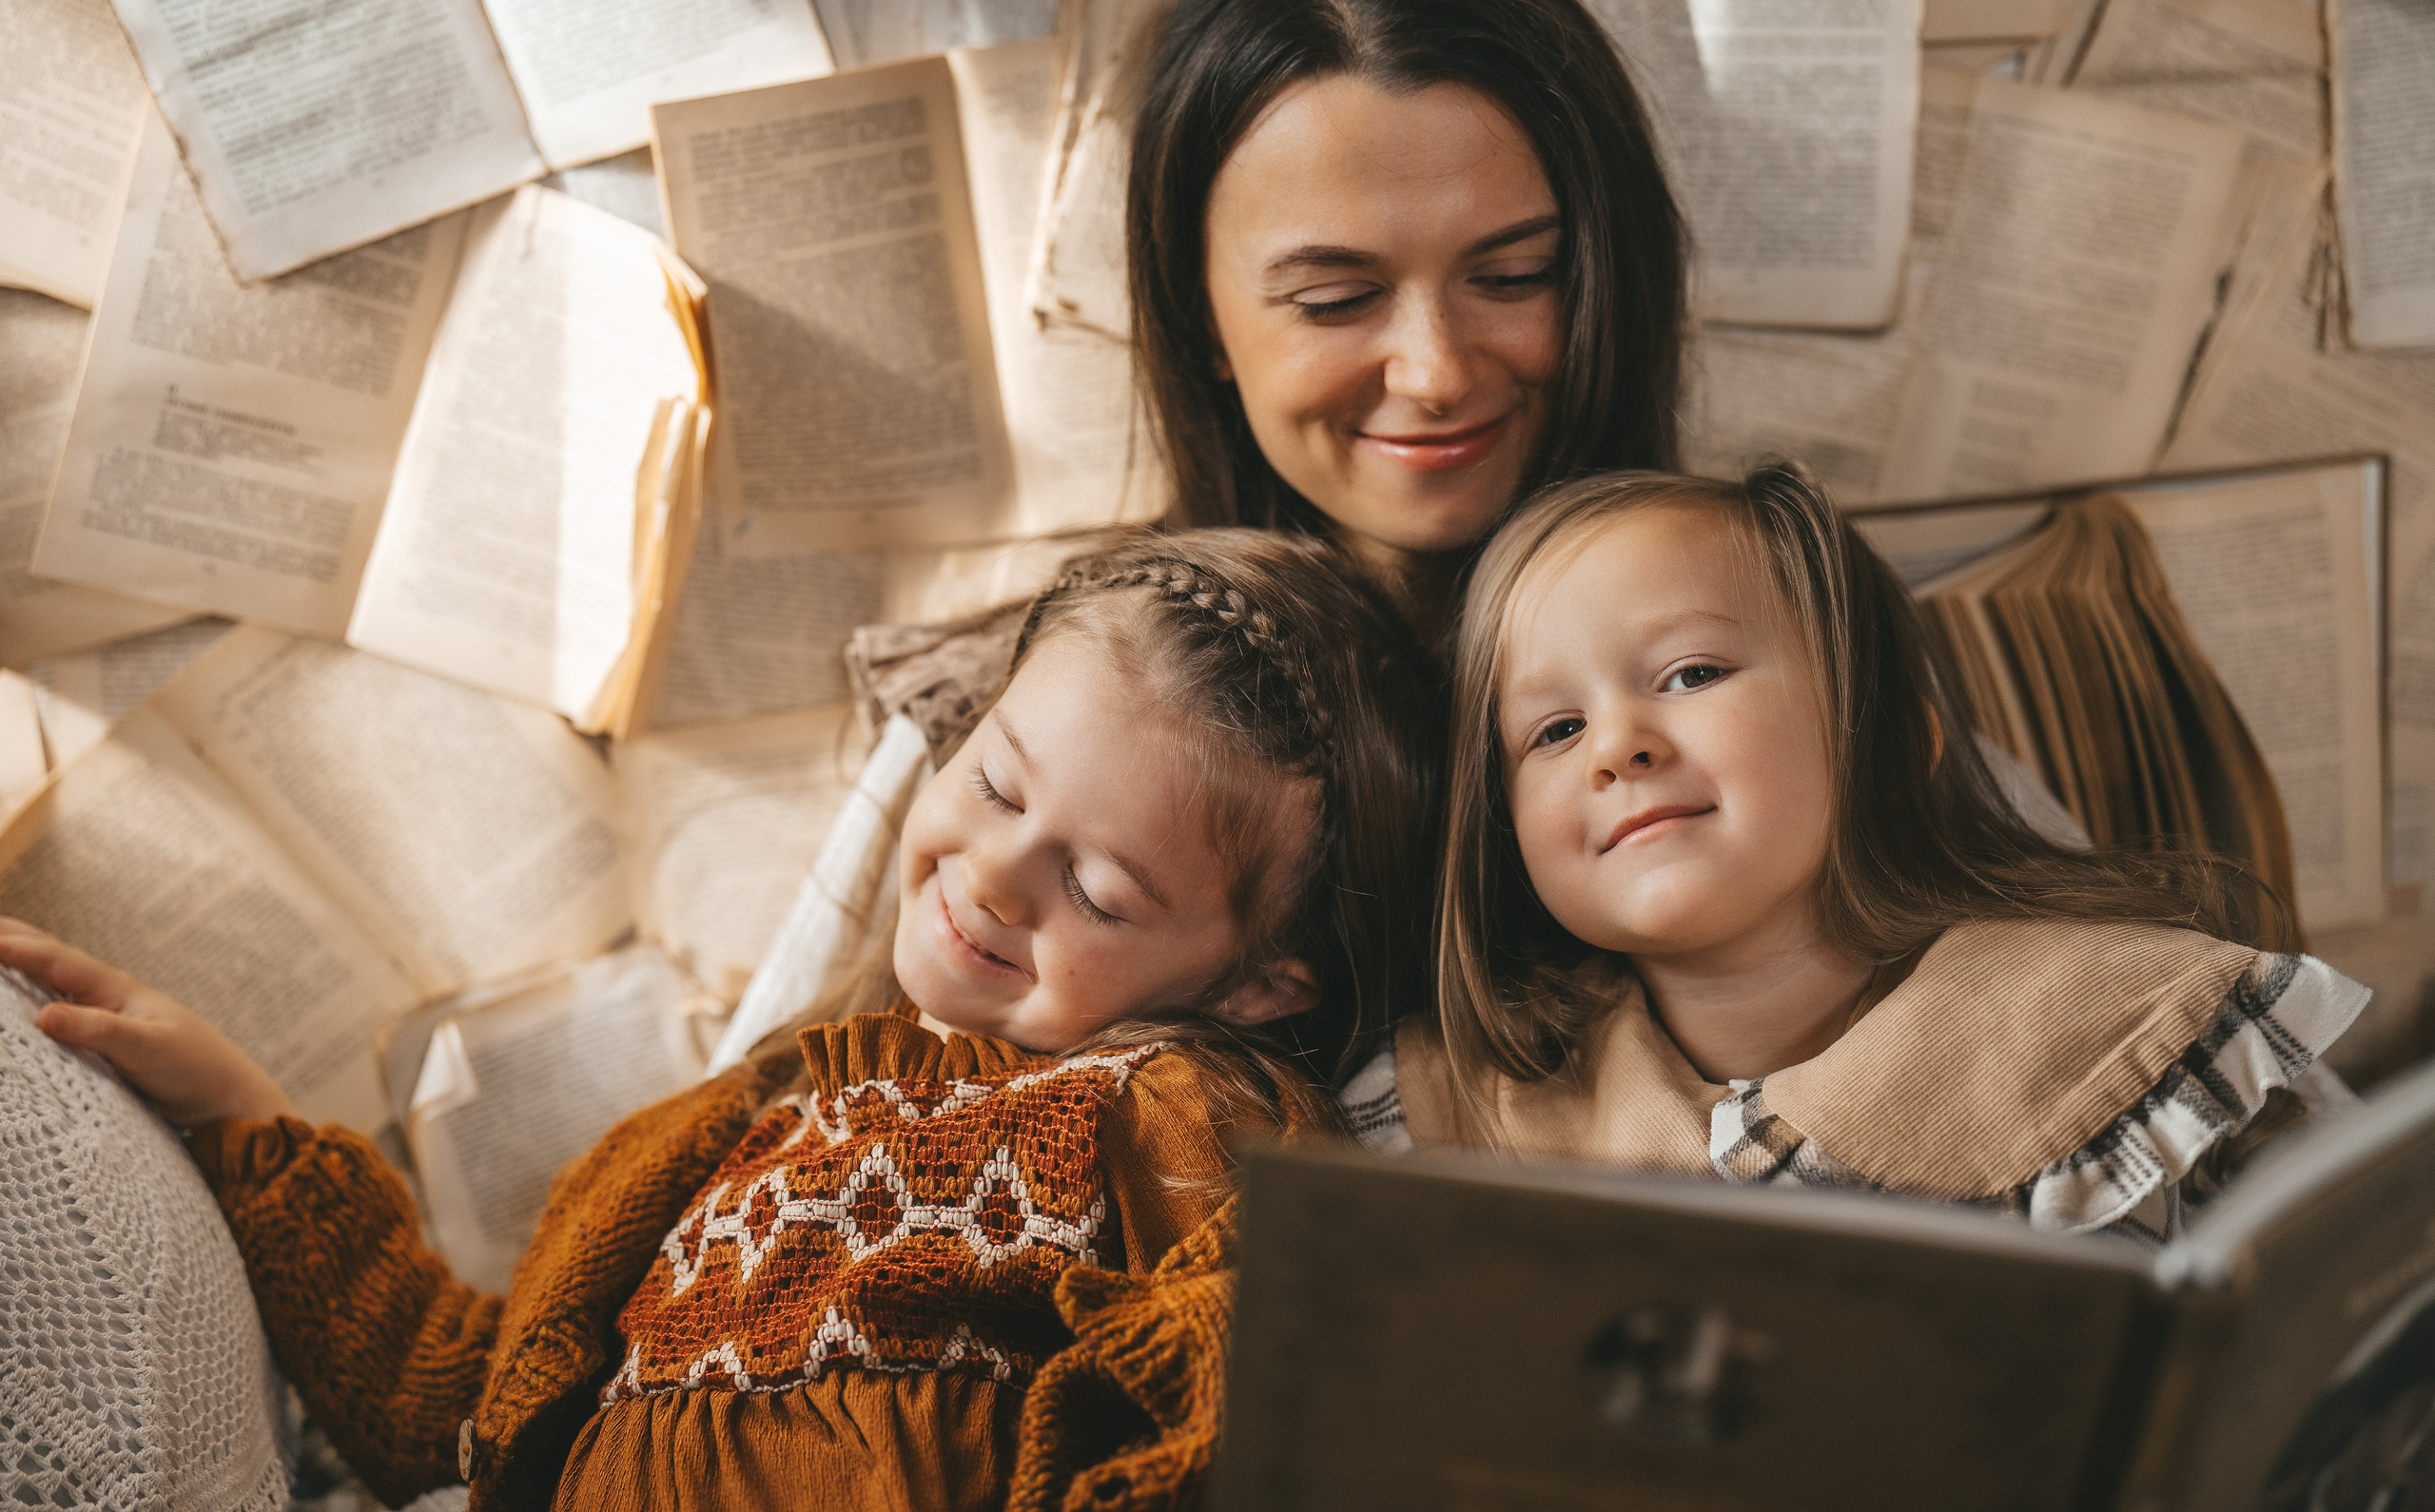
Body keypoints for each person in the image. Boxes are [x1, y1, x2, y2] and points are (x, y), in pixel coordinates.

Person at [16, 528, 1445, 1511]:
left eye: (1100, 886)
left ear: (1262, 979)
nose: (996, 875)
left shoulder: (1162, 1110)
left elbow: (1234, 1388)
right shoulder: (736, 1122)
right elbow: (458, 1409)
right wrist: (247, 1113)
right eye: (999, 786)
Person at [1373, 466, 2368, 1242]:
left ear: (1888, 738)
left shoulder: (2153, 1033)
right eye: (1550, 730)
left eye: (1690, 672)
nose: (1615, 746)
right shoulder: (1455, 1113)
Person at [1129, 0, 1689, 634]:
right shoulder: (1064, 712)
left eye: (1514, 277)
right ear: (1197, 316)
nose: (1438, 376)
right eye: (1335, 298)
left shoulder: (1803, 657)